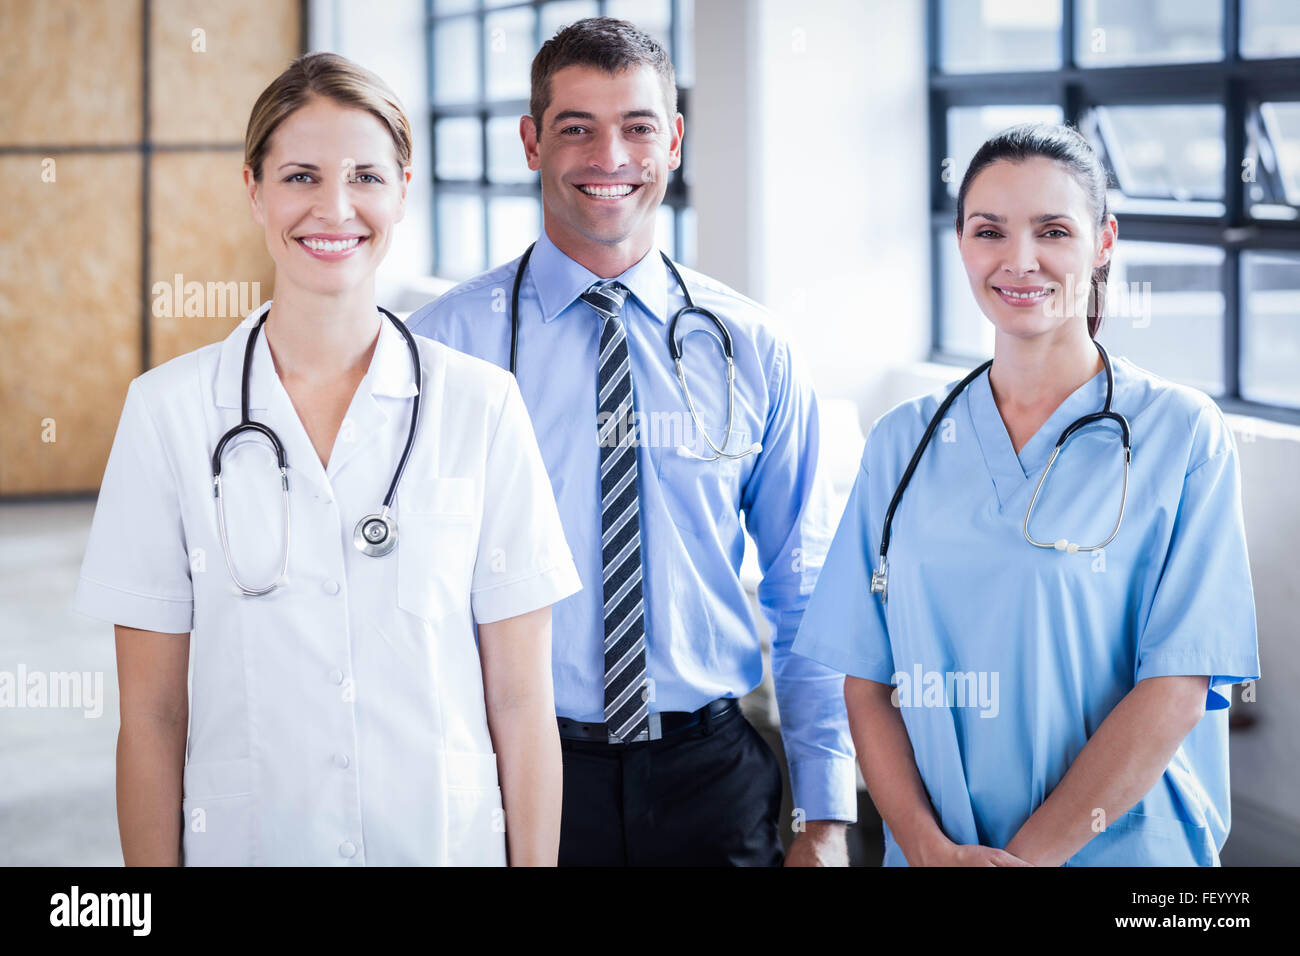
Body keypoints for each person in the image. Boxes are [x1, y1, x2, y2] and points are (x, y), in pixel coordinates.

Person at [73, 52, 581, 866]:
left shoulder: (481, 407)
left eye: (366, 177)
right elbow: (154, 715)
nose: (334, 208)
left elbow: (522, 700)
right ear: (254, 189)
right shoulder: (166, 414)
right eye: (301, 176)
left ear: (403, 190)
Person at [407, 18, 855, 866]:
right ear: (532, 141)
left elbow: (806, 589)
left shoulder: (752, 347)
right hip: (512, 769)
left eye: (639, 126)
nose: (610, 155)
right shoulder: (442, 346)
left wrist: (825, 818)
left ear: (674, 140)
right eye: (576, 127)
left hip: (712, 779)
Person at [793, 123, 1261, 867]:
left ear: (1104, 241)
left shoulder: (1181, 435)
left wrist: (1027, 861)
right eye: (990, 231)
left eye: (1053, 231)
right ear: (960, 244)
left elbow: (1178, 682)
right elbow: (868, 679)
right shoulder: (903, 442)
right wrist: (922, 847)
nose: (1020, 261)